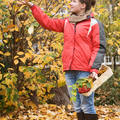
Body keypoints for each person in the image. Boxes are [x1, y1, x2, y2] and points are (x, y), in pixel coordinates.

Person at [17, 0, 106, 120]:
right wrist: (32, 6)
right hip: (69, 72)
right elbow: (47, 22)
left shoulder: (94, 23)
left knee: (87, 105)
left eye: (74, 1)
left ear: (83, 5)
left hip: (85, 73)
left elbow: (99, 47)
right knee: (77, 106)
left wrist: (94, 69)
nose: (70, 3)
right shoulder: (66, 22)